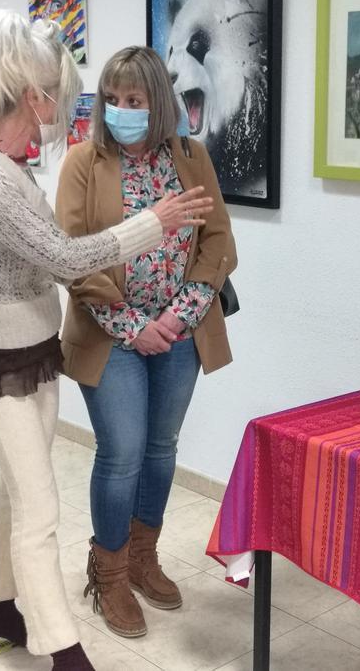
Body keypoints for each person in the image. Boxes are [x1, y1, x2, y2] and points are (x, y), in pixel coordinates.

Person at [0, 11, 212, 671]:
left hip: (32, 355)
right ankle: (61, 647)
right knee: (39, 506)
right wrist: (154, 224)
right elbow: (63, 257)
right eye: (47, 100)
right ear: (23, 91)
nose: (51, 117)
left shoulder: (7, 168)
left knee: (15, 489)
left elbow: (46, 259)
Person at [55, 46, 236, 639]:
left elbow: (217, 241)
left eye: (134, 101)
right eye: (111, 99)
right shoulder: (83, 162)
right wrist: (136, 324)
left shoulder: (191, 156)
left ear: (158, 102)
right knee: (123, 450)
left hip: (181, 331)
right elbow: (73, 257)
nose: (120, 111)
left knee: (161, 448)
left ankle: (142, 556)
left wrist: (181, 317)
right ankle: (107, 572)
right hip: (113, 336)